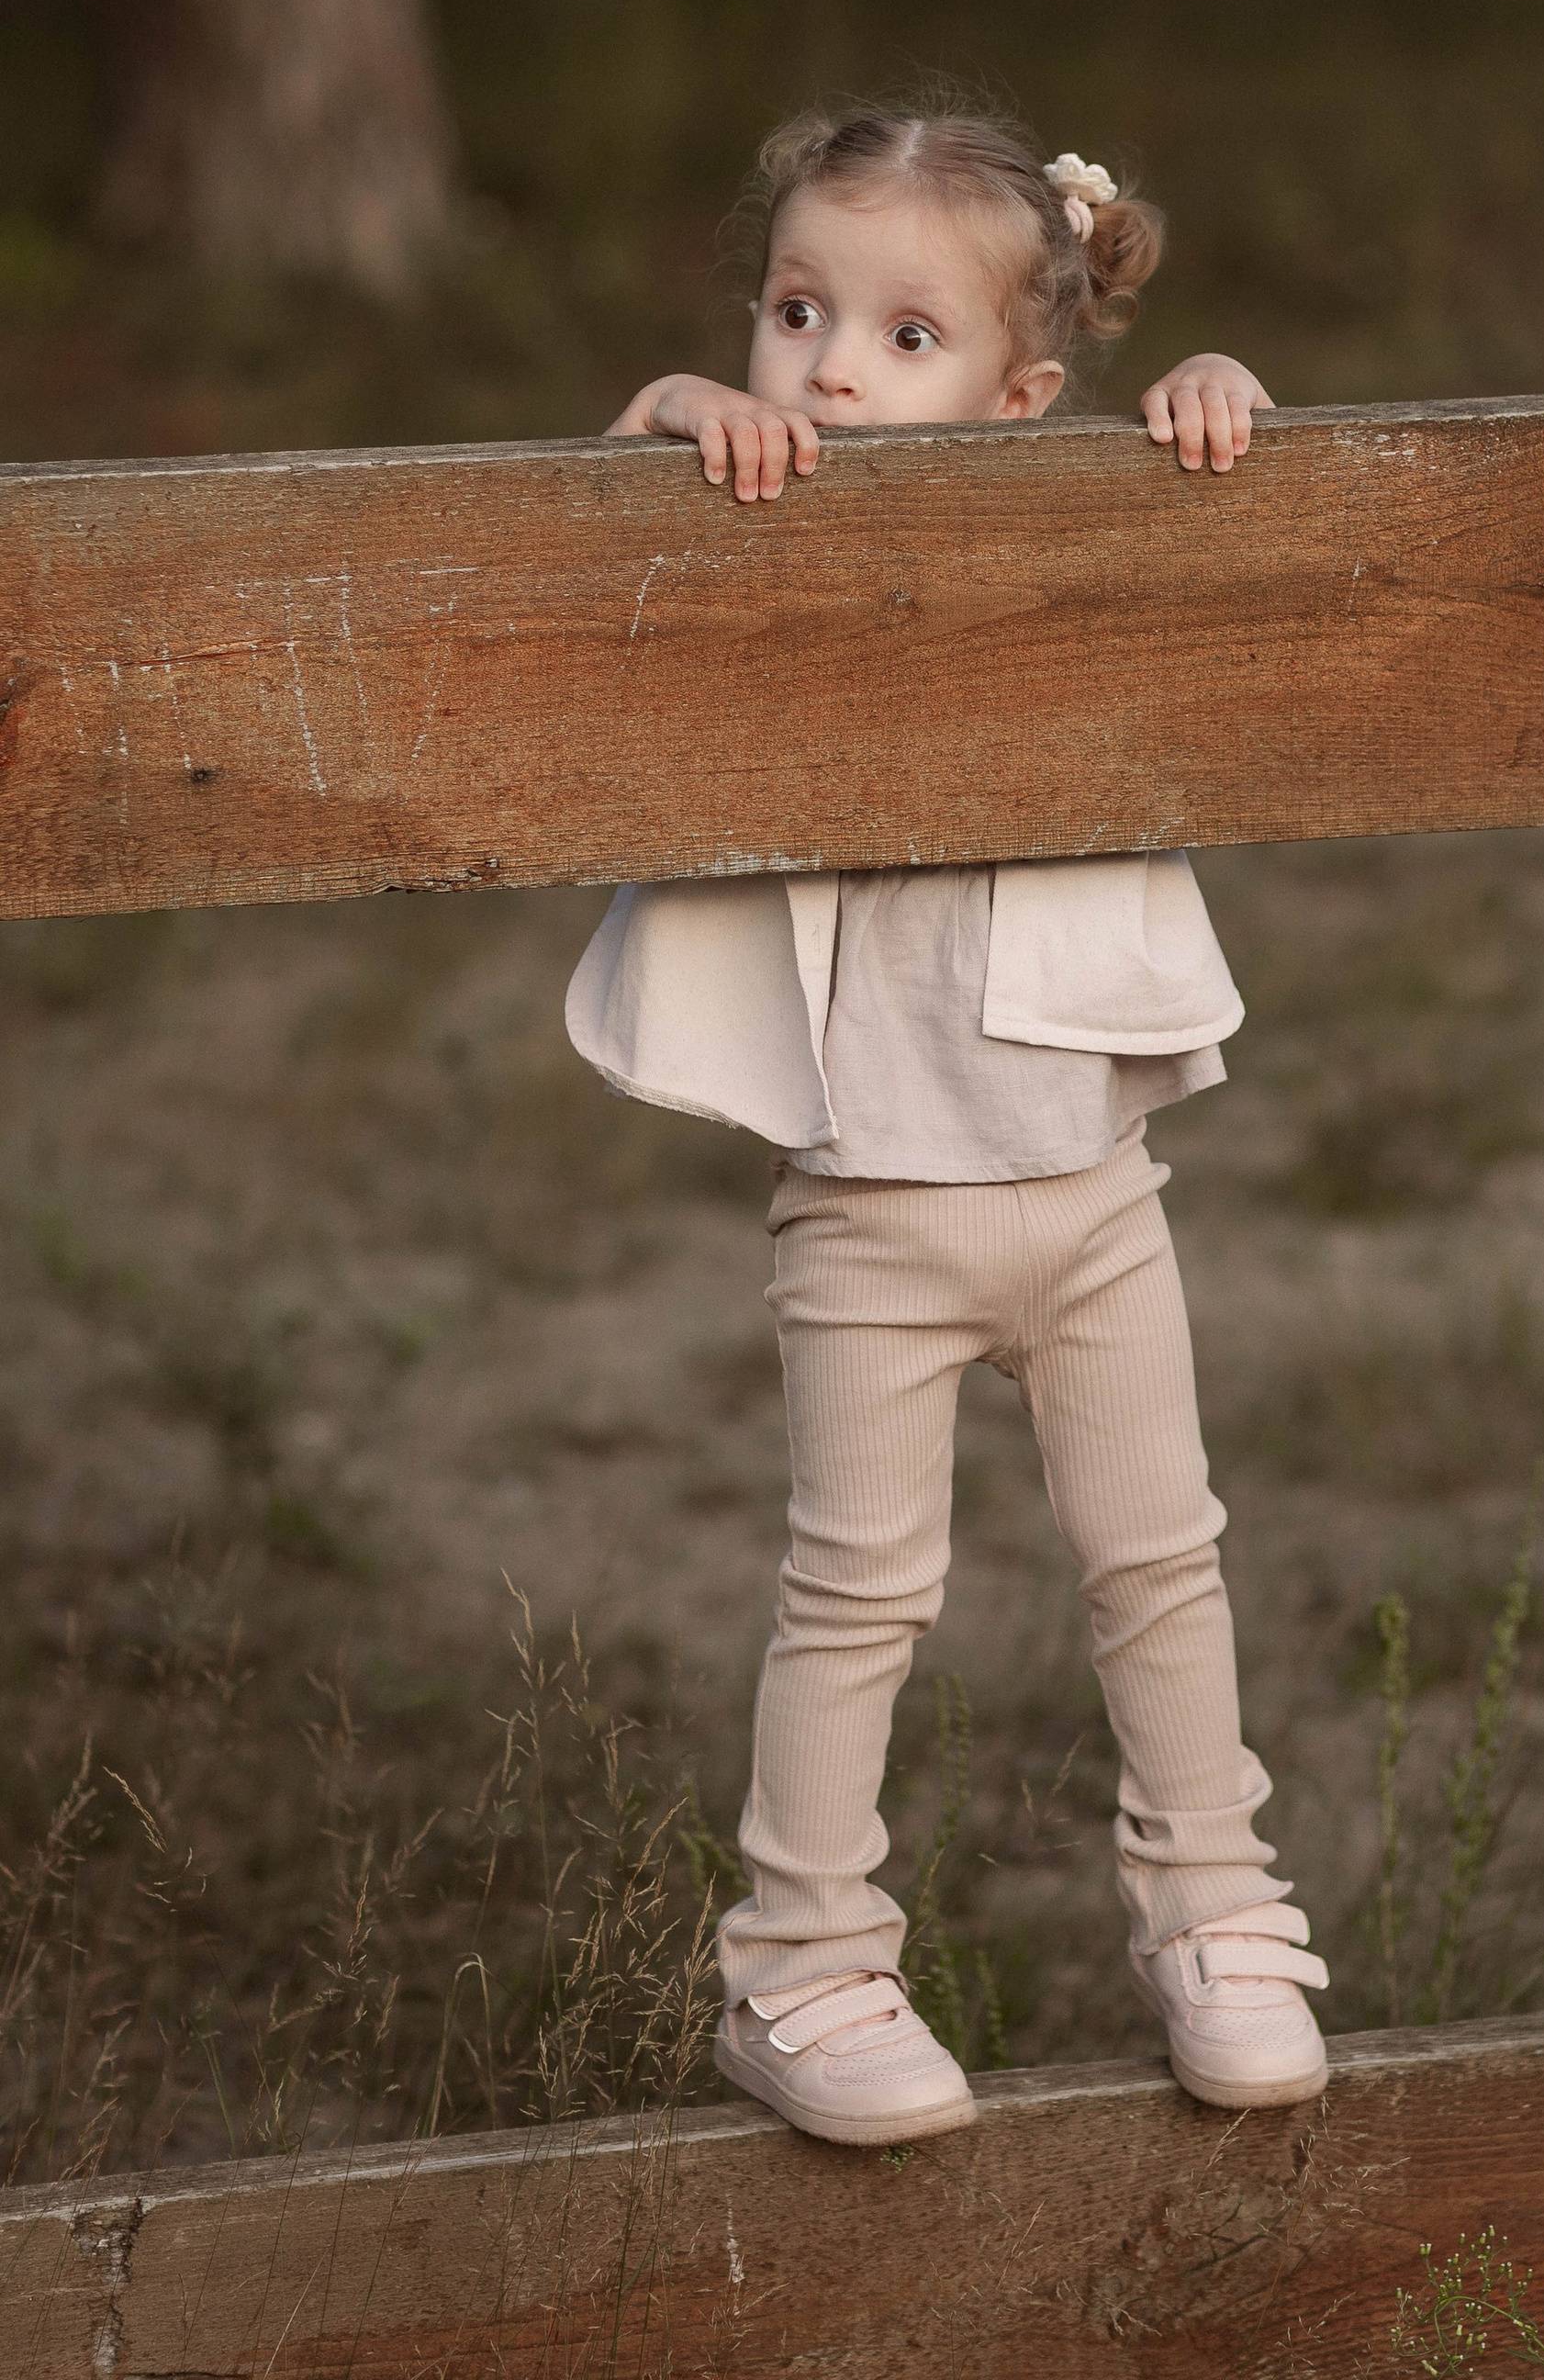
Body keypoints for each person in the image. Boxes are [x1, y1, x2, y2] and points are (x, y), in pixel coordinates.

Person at [565, 105, 1329, 2147]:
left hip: (1092, 1197)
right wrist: (653, 430)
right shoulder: (741, 512)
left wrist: (1220, 401)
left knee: (1161, 1563)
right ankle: (800, 1968)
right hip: (870, 1215)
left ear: (1018, 398)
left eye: (902, 338)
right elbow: (585, 568)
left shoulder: (1067, 519)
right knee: (855, 1594)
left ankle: (1214, 1907)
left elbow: (1215, 513)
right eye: (795, 308)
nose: (821, 363)